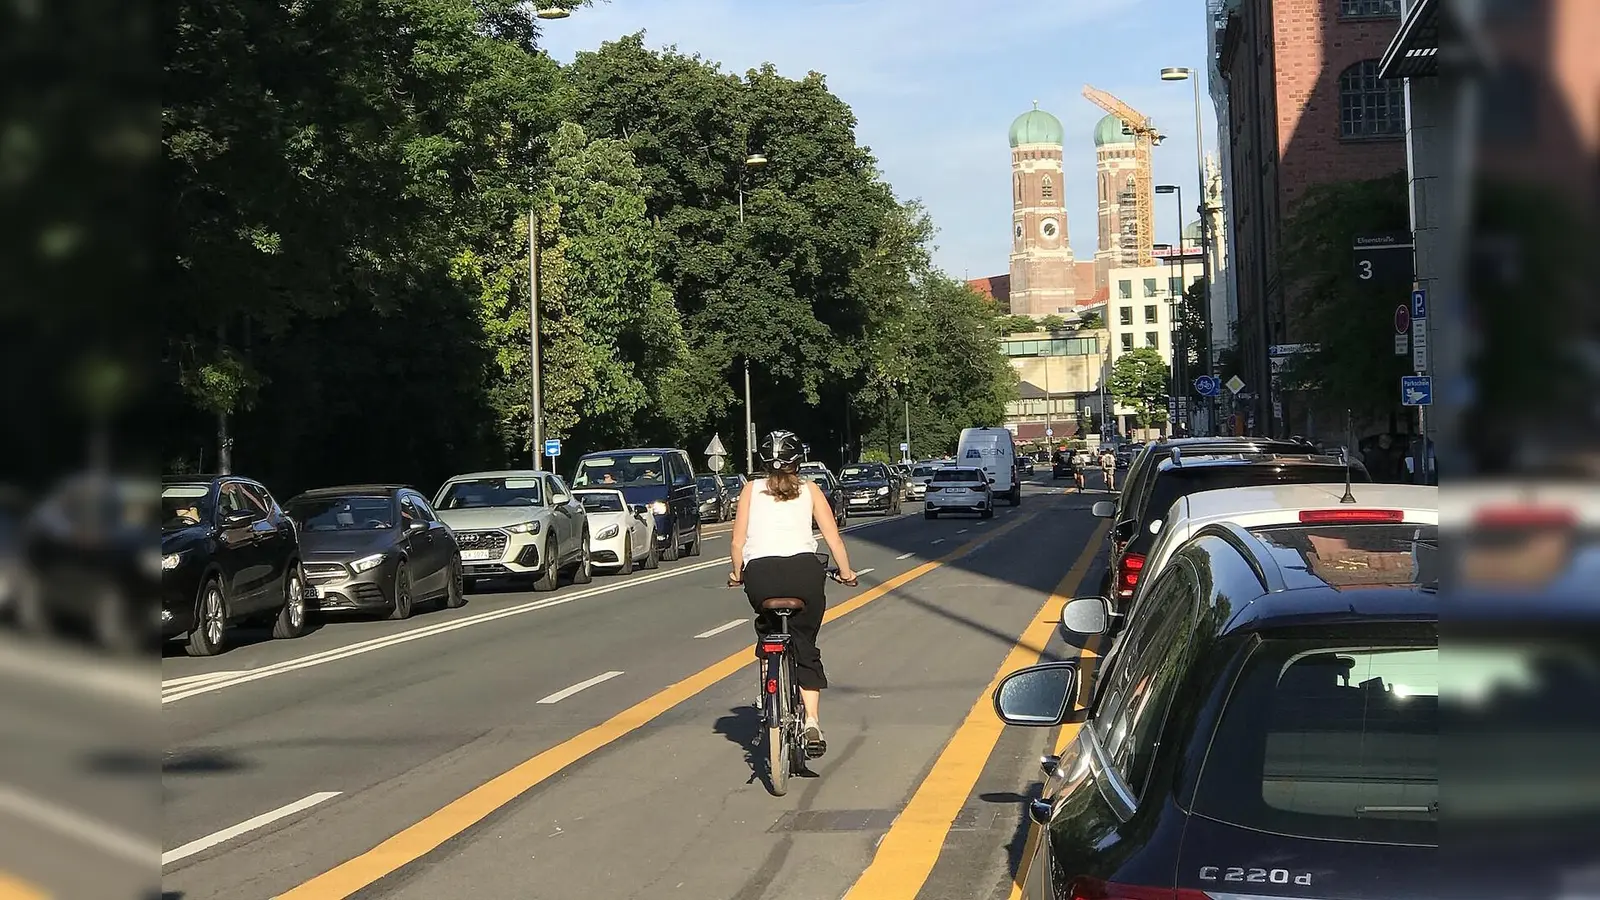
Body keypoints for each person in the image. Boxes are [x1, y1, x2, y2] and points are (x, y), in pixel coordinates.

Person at [729, 430, 857, 759]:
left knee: (768, 628)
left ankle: (767, 691)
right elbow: (833, 538)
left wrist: (736, 572)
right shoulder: (811, 490)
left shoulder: (750, 489)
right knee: (804, 644)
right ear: (798, 460)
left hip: (760, 576)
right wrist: (846, 572)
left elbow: (737, 542)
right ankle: (812, 721)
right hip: (805, 573)